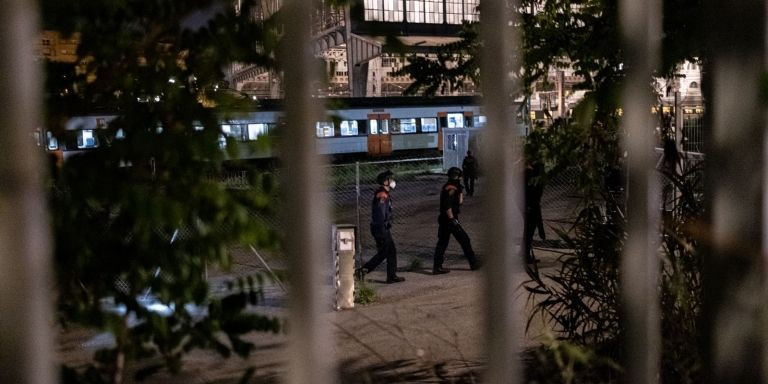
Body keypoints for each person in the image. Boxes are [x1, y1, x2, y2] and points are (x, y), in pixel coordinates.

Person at [356, 170, 405, 284]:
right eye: (390, 179)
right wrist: (383, 227)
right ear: (385, 182)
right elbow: (379, 214)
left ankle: (391, 276)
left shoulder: (385, 194)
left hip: (382, 228)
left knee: (390, 251)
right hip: (380, 228)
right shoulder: (382, 195)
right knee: (385, 252)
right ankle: (363, 271)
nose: (393, 181)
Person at [432, 167, 481, 274]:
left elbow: (459, 202)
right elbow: (447, 205)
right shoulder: (452, 188)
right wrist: (452, 220)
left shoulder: (453, 186)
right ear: (459, 176)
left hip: (446, 219)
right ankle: (473, 263)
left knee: (443, 242)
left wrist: (461, 191)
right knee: (465, 240)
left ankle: (437, 267)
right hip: (450, 219)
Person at [524, 160, 546, 264]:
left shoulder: (530, 171)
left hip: (532, 203)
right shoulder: (529, 173)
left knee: (529, 228)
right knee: (529, 229)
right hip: (531, 203)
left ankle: (525, 253)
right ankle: (526, 255)